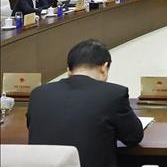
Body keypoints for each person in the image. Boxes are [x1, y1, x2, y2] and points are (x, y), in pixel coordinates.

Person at [27, 39, 144, 167]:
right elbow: (133, 137)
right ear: (104, 68)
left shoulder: (38, 94)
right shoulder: (113, 94)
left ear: (69, 70)